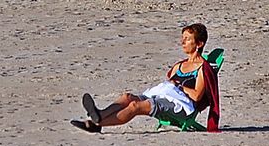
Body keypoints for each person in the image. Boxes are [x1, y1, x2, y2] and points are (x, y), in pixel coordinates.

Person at [71, 23, 220, 133]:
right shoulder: (179, 65)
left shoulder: (202, 68)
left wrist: (180, 86)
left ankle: (98, 122)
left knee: (135, 106)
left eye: (187, 39)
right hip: (164, 96)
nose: (182, 42)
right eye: (183, 38)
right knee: (127, 97)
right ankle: (99, 116)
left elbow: (196, 96)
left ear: (199, 43)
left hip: (181, 106)